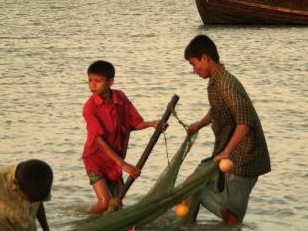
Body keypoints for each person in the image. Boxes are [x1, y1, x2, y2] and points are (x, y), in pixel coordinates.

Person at [182, 35, 271, 226]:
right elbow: (217, 108)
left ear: (205, 58)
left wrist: (226, 153)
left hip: (245, 157)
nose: (193, 70)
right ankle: (188, 227)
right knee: (191, 186)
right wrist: (200, 124)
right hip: (228, 154)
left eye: (193, 64)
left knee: (230, 214)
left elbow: (244, 122)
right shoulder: (216, 82)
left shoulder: (226, 84)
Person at [82, 60, 166, 213]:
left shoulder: (120, 98)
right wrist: (124, 165)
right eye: (90, 80)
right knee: (104, 202)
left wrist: (153, 124)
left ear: (110, 82)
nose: (92, 85)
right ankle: (83, 222)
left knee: (117, 204)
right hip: (95, 159)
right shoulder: (90, 108)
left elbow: (134, 123)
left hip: (114, 160)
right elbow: (99, 140)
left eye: (98, 81)